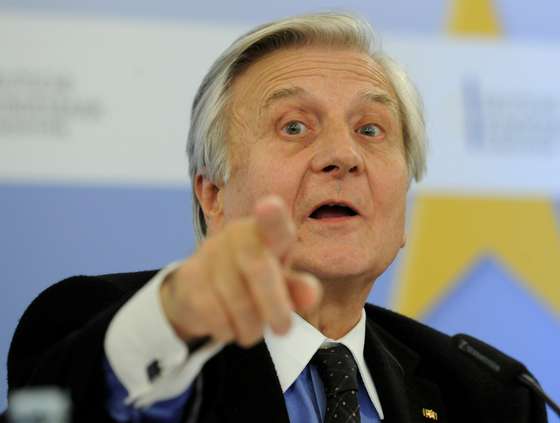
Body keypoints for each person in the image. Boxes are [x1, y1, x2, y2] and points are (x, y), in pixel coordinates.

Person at [7, 12, 547, 423]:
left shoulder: (487, 393)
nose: (344, 155)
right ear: (212, 196)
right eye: (294, 127)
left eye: (370, 129)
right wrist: (169, 324)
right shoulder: (96, 324)